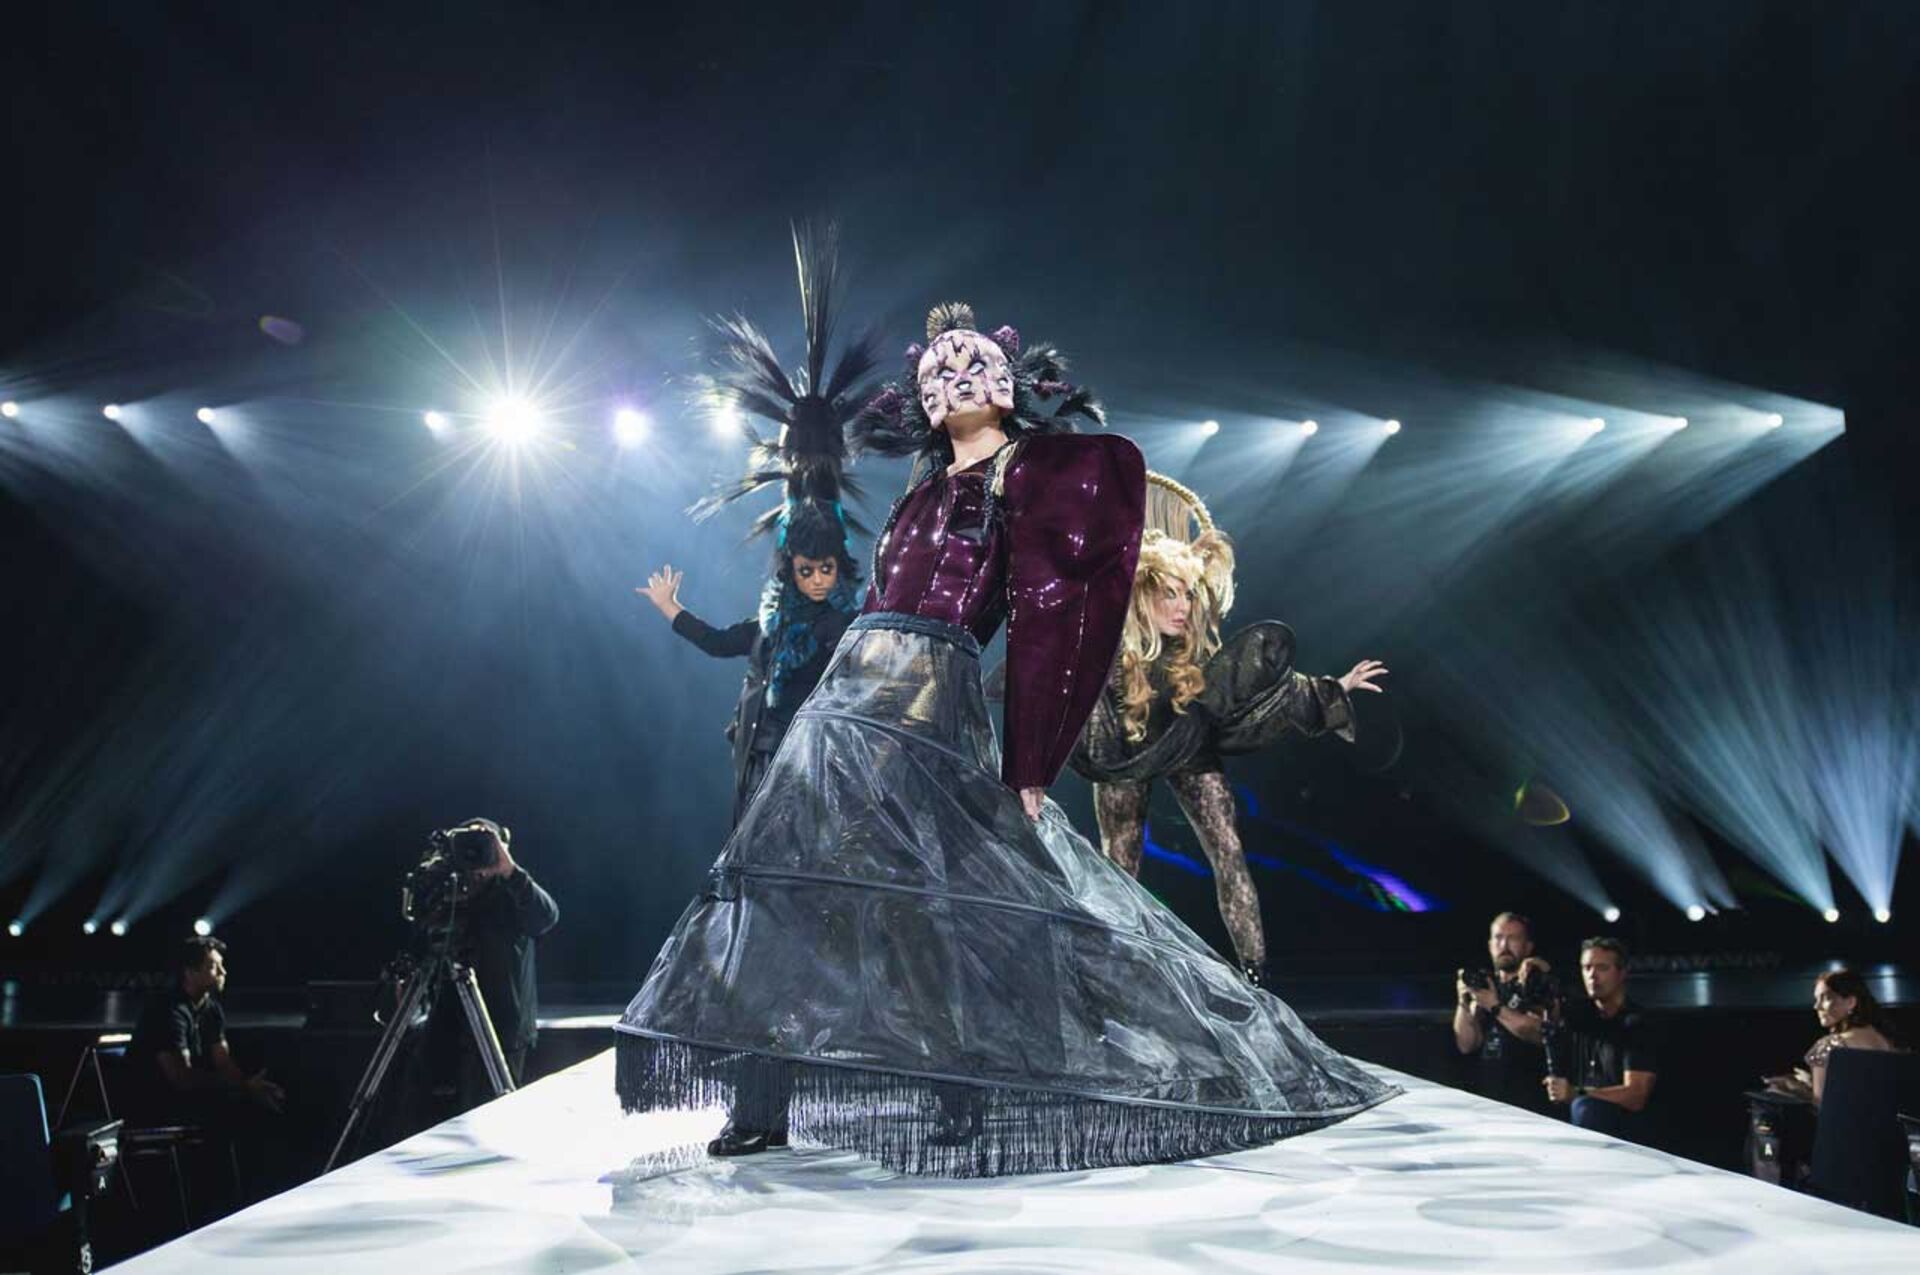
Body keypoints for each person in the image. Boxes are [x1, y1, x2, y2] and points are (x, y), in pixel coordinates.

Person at [615, 297, 1396, 1177]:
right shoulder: (917, 495)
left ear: (1007, 382)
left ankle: (964, 1091)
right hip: (847, 701)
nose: (954, 378)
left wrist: (1032, 758)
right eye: (936, 370)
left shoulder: (1026, 480)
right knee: (787, 882)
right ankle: (760, 1101)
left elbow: (1047, 616)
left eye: (971, 363)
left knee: (941, 904)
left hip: (933, 703)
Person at [1068, 475, 1387, 986]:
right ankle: (1110, 975)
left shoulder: (1194, 661)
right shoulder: (1108, 650)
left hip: (1188, 741)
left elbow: (1253, 688)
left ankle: (1255, 976)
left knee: (1228, 850)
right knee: (1119, 861)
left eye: (1188, 595)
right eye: (1170, 595)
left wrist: (1336, 687)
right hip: (1127, 748)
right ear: (1142, 596)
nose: (1183, 607)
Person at [635, 225, 871, 826]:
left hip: (823, 766)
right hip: (765, 762)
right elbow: (719, 642)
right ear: (792, 571)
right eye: (807, 571)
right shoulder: (770, 628)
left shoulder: (844, 627)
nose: (817, 579)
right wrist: (670, 608)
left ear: (837, 568)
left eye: (824, 570)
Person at [418, 818, 559, 1105]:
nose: (475, 857)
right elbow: (420, 927)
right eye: (466, 847)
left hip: (501, 1032)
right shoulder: (448, 893)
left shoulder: (513, 894)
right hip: (447, 1029)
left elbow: (546, 916)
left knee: (492, 1112)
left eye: (484, 847)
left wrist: (510, 871)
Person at [128, 936, 285, 1124]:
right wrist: (243, 1086)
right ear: (189, 972)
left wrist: (249, 1087)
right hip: (153, 1105)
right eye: (213, 967)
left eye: (222, 965)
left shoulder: (212, 1009)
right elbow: (181, 1078)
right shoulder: (167, 1011)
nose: (223, 972)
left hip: (189, 1102)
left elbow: (223, 1062)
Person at [1545, 936, 1661, 1143]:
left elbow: (1636, 1095)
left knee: (1584, 1108)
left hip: (1629, 1133)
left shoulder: (1638, 1023)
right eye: (1587, 968)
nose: (1592, 975)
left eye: (1602, 968)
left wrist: (1576, 1093)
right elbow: (1539, 1020)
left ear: (1622, 973)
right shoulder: (1580, 1017)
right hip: (1586, 1127)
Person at [1452, 911, 1559, 1112]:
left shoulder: (1536, 982)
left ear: (1528, 946)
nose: (1504, 945)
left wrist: (1494, 1006)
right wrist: (1463, 1003)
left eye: (1513, 938)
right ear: (1490, 944)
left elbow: (1538, 1033)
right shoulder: (1485, 984)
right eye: (1498, 938)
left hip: (1529, 1101)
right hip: (1487, 1099)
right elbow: (1466, 1045)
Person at [1763, 967, 1898, 1107]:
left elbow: (1822, 1107)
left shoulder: (1829, 1046)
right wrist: (1809, 1084)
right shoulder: (1884, 1039)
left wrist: (1793, 1090)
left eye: (1825, 998)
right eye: (1816, 999)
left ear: (1851, 1002)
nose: (1816, 1006)